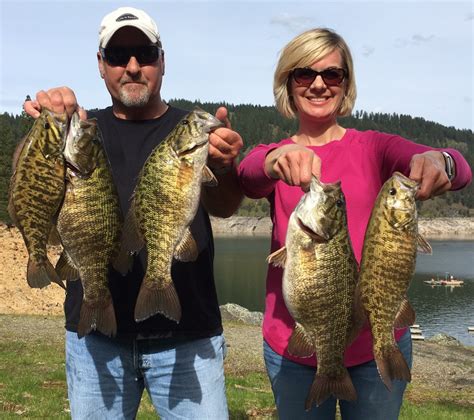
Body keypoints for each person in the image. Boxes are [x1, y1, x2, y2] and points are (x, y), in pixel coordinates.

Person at [237, 28, 472, 419]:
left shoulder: (374, 147)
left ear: (346, 85)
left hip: (374, 346)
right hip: (294, 347)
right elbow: (246, 174)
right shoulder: (273, 154)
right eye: (304, 74)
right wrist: (274, 160)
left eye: (332, 75)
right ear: (287, 83)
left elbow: (459, 168)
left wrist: (440, 160)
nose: (318, 84)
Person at [24, 7, 243, 419]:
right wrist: (43, 130)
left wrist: (225, 167)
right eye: (117, 55)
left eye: (143, 53)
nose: (131, 66)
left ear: (162, 61)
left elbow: (226, 205)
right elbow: (35, 184)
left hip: (189, 336)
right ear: (100, 66)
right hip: (95, 339)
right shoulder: (81, 131)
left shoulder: (191, 131)